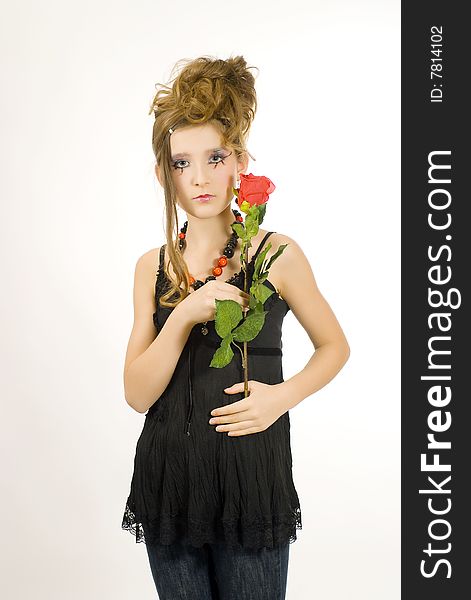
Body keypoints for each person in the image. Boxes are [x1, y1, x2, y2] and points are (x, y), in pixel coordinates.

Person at [121, 55, 350, 600]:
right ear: (163, 172)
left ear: (240, 161)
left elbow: (335, 346)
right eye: (181, 163)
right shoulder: (153, 267)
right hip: (171, 478)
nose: (199, 178)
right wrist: (182, 315)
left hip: (250, 476)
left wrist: (280, 398)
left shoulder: (276, 254)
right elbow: (135, 393)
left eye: (215, 157)